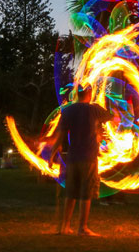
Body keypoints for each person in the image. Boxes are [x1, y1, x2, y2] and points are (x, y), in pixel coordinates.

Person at [49, 85, 111, 236]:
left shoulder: (68, 110)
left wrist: (53, 154)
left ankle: (64, 227)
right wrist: (100, 133)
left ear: (77, 94)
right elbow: (113, 118)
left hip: (72, 158)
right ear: (89, 93)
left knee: (70, 192)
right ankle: (82, 228)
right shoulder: (94, 109)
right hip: (88, 157)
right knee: (86, 193)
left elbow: (61, 135)